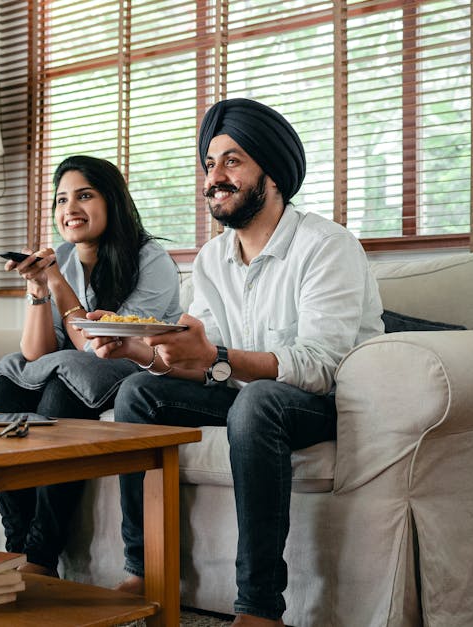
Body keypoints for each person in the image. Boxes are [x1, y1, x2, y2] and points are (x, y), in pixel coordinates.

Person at [87, 99, 384, 626]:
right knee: (138, 392)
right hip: (248, 393)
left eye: (231, 161)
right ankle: (146, 568)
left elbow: (322, 366)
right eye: (208, 164)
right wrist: (137, 348)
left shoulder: (325, 245)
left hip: (328, 401)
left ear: (271, 173)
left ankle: (259, 609)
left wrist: (217, 358)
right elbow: (208, 363)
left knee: (260, 404)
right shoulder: (211, 259)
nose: (214, 177)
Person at [0, 154, 183, 578]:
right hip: (76, 367)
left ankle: (41, 557)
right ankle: (15, 548)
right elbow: (37, 354)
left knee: (62, 391)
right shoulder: (62, 257)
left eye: (84, 196)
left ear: (112, 201)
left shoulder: (152, 260)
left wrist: (56, 281)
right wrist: (38, 289)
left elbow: (101, 349)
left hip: (134, 369)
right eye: (61, 199)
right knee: (3, 389)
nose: (69, 209)